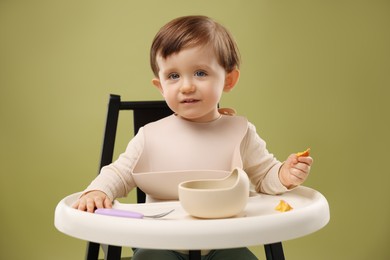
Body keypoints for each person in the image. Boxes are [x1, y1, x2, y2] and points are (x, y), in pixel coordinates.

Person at [73, 15, 313, 260]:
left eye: (200, 73)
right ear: (160, 86)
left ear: (228, 80)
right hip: (161, 243)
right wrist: (97, 191)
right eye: (174, 76)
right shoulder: (149, 135)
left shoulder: (241, 132)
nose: (186, 86)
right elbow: (118, 173)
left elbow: (264, 176)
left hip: (225, 241)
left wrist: (283, 174)